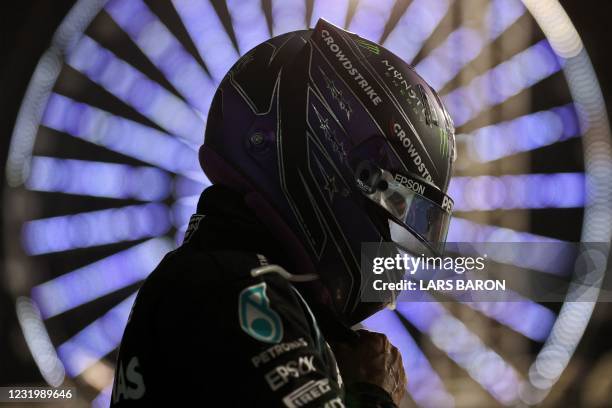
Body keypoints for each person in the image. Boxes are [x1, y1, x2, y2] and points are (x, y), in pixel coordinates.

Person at [110, 18, 455, 407]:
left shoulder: (208, 279)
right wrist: (370, 393)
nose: (397, 245)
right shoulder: (238, 292)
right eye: (397, 202)